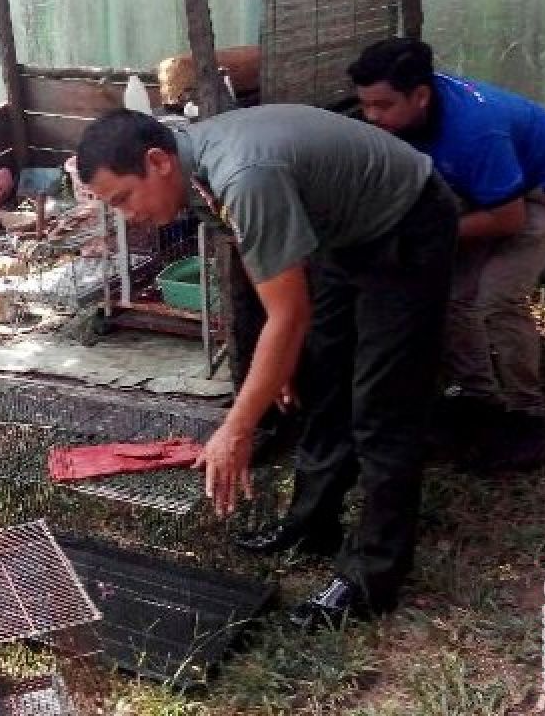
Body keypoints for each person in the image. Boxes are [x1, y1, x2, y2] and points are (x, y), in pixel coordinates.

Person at [76, 105, 458, 628]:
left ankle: (371, 577)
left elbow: (289, 312)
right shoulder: (198, 167)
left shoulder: (242, 175)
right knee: (322, 380)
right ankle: (312, 523)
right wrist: (277, 366)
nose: (127, 216)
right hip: (344, 233)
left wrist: (236, 429)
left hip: (405, 222)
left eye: (123, 198)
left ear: (157, 161)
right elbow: (272, 281)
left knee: (381, 407)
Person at [348, 38, 545, 470]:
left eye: (382, 106)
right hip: (495, 187)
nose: (371, 118)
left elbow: (509, 219)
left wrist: (428, 235)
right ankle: (479, 397)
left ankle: (527, 416)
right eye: (365, 105)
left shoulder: (475, 131)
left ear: (421, 95)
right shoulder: (412, 115)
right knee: (456, 293)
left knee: (497, 297)